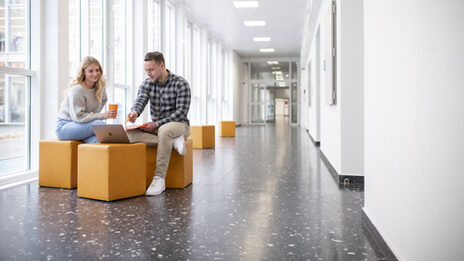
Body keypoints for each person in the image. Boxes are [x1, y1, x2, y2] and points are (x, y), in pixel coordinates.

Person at [128, 51, 191, 196]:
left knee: (165, 131)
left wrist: (157, 124)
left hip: (179, 124)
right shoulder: (147, 83)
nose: (148, 74)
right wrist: (135, 112)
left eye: (151, 69)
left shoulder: (181, 84)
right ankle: (170, 142)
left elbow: (181, 112)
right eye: (146, 70)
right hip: (157, 129)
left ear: (162, 66)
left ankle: (159, 179)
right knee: (128, 133)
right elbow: (141, 99)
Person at [56, 56, 116, 143]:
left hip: (83, 125)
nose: (95, 74)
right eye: (90, 71)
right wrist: (101, 116)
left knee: (99, 140)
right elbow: (78, 117)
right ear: (83, 72)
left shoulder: (100, 87)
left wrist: (94, 116)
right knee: (99, 124)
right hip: (65, 126)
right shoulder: (77, 90)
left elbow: (104, 100)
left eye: (97, 70)